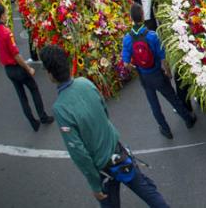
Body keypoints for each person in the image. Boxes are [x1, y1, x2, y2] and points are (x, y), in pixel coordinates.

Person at [38, 45, 171, 207]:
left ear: (50, 74)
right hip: (118, 152)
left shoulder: (60, 108)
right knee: (150, 193)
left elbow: (78, 152)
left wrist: (94, 184)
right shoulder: (85, 83)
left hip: (103, 168)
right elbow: (104, 112)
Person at [121, 3, 196, 139]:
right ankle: (188, 120)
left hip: (144, 77)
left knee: (154, 105)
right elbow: (162, 58)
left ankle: (165, 129)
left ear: (131, 18)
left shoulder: (127, 39)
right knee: (172, 98)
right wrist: (167, 72)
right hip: (157, 73)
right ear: (143, 16)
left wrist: (136, 67)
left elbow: (125, 63)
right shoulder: (151, 35)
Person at [0, 3, 53, 131]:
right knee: (34, 89)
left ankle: (33, 122)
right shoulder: (7, 32)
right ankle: (43, 116)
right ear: (2, 15)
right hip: (17, 68)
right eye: (6, 12)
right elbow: (16, 55)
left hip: (8, 70)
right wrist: (28, 68)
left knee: (22, 96)